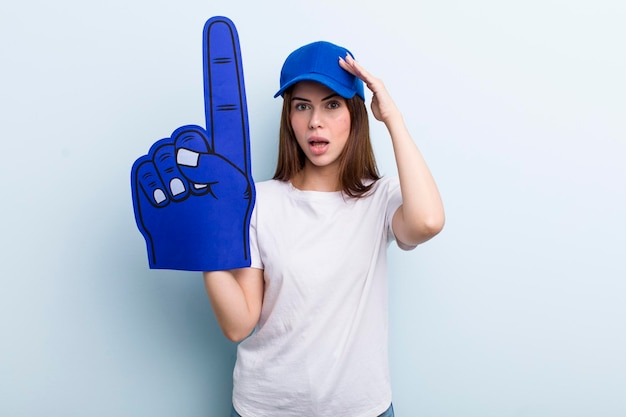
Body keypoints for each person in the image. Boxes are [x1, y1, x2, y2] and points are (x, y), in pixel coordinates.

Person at [203, 40, 445, 417]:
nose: (316, 121)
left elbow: (428, 222)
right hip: (264, 408)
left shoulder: (380, 199)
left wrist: (392, 117)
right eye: (303, 106)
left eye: (332, 104)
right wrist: (203, 244)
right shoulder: (258, 202)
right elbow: (239, 324)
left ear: (354, 114)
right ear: (290, 118)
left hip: (362, 409)